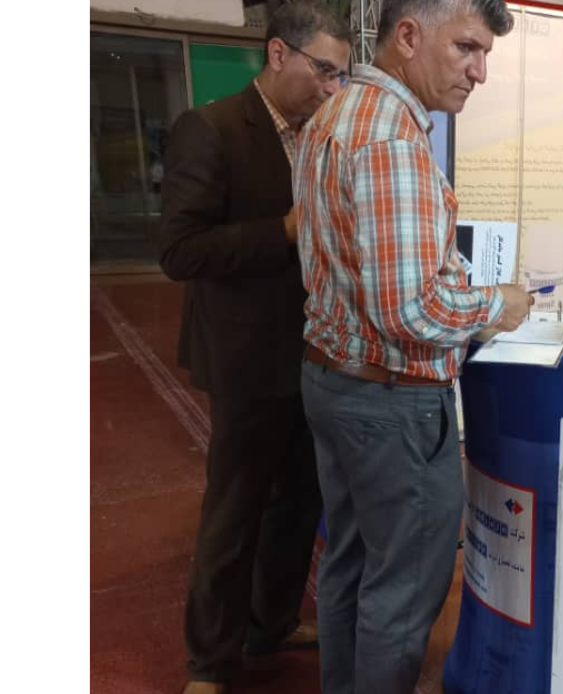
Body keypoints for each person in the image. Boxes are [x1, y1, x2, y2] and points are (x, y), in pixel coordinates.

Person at [291, 1, 532, 692]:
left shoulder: (333, 114)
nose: (479, 72)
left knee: (350, 563)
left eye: (484, 55)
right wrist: (499, 305)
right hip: (390, 401)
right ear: (407, 36)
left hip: (333, 378)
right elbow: (409, 310)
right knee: (403, 588)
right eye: (466, 48)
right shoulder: (392, 137)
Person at [157, 4, 351, 693]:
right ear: (277, 54)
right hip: (244, 358)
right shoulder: (211, 129)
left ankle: (271, 623)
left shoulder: (316, 135)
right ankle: (210, 661)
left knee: (298, 499)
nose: (331, 87)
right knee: (235, 511)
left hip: (312, 353)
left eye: (340, 75)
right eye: (322, 70)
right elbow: (180, 250)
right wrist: (286, 230)